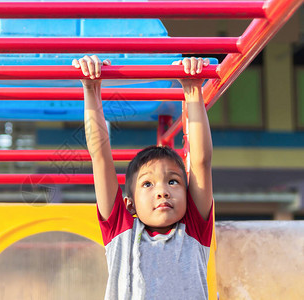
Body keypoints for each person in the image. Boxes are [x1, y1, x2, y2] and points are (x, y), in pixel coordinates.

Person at [72, 55, 214, 299]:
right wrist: (92, 89)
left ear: (187, 195)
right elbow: (101, 159)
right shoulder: (122, 231)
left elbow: (201, 163)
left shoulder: (193, 231)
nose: (162, 191)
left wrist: (192, 91)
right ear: (129, 204)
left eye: (173, 181)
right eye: (147, 184)